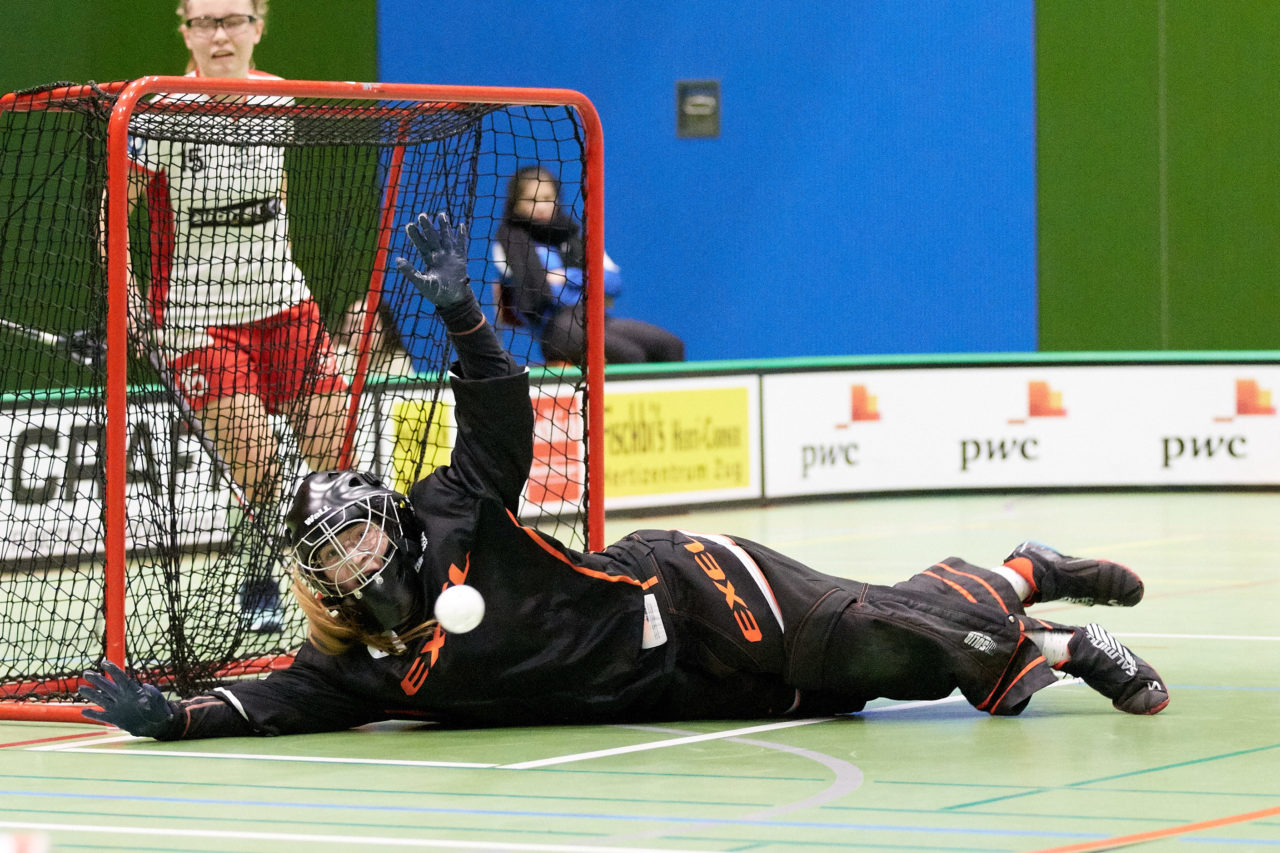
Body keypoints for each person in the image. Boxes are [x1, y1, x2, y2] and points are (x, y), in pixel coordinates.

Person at [76, 212, 1169, 740]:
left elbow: (495, 419)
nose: (356, 557)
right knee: (884, 676)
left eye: (359, 533)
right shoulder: (358, 666)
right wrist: (173, 719)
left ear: (387, 521)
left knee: (874, 638)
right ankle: (1023, 569)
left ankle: (1063, 646)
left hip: (683, 588)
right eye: (333, 556)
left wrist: (462, 309)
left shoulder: (452, 510)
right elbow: (271, 702)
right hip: (676, 690)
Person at [120, 0, 352, 632]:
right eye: (204, 23)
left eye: (232, 20)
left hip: (286, 307)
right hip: (198, 319)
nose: (219, 35)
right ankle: (261, 577)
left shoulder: (282, 100)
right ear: (185, 31)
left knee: (336, 459)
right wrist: (133, 302)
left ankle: (352, 587)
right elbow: (115, 212)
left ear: (259, 25)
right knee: (262, 468)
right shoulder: (156, 109)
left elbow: (273, 202)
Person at [494, 166, 685, 365]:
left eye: (547, 198)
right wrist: (587, 284)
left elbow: (613, 284)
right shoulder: (508, 244)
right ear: (516, 204)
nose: (542, 206)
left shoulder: (576, 236)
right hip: (556, 329)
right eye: (532, 200)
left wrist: (568, 277)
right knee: (631, 355)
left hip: (595, 319)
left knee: (670, 346)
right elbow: (546, 296)